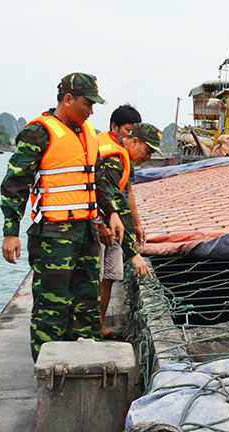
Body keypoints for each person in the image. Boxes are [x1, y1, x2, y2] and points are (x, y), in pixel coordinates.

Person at [0, 72, 124, 361]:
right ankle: (48, 372)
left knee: (87, 304)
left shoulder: (88, 135)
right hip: (53, 237)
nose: (91, 111)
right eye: (87, 104)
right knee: (51, 308)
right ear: (67, 99)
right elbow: (14, 183)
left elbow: (97, 182)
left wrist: (112, 214)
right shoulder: (39, 132)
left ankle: (84, 364)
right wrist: (10, 232)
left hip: (86, 235)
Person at [97, 120, 161, 340]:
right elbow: (112, 201)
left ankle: (97, 326)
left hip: (114, 230)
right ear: (134, 141)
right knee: (92, 280)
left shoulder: (124, 161)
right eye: (148, 150)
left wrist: (135, 227)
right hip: (99, 227)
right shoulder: (113, 160)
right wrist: (133, 254)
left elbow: (124, 200)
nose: (149, 157)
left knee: (109, 276)